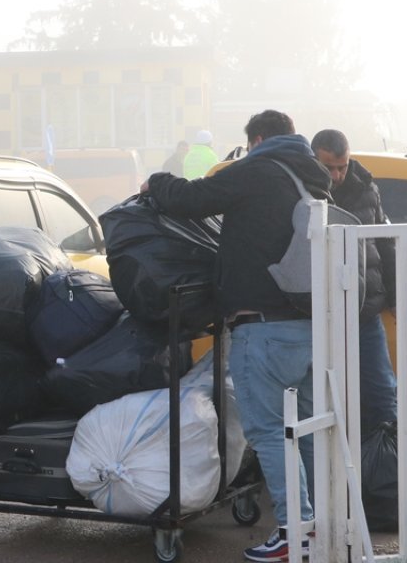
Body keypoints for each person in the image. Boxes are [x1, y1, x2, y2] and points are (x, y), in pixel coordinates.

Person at [140, 110, 330, 562]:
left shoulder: (259, 169)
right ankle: (316, 527)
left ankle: (292, 532)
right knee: (303, 432)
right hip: (307, 328)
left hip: (261, 330)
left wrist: (156, 181)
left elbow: (194, 198)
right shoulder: (313, 178)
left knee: (268, 434)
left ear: (257, 138)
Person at [311, 129, 397, 430]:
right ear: (314, 160)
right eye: (328, 168)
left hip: (364, 312)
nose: (336, 175)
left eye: (342, 166)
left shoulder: (367, 189)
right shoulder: (302, 189)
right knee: (317, 399)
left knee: (382, 393)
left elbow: (385, 244)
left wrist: (397, 295)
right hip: (315, 314)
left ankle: (391, 464)